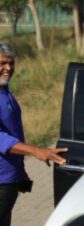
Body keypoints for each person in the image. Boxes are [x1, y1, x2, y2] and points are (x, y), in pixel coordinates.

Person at [0, 43, 67, 226]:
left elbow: (14, 133)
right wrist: (36, 151)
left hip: (9, 181)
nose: (8, 68)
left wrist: (20, 172)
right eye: (3, 63)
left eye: (11, 63)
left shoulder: (5, 92)